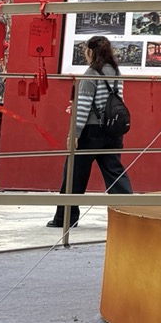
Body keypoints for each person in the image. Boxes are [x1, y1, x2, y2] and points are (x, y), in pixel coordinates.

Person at [47, 35, 134, 227]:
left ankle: (65, 218)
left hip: (91, 131)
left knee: (74, 174)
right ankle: (131, 214)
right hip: (113, 131)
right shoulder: (116, 72)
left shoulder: (91, 73)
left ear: (90, 52)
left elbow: (84, 106)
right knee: (115, 173)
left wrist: (74, 134)